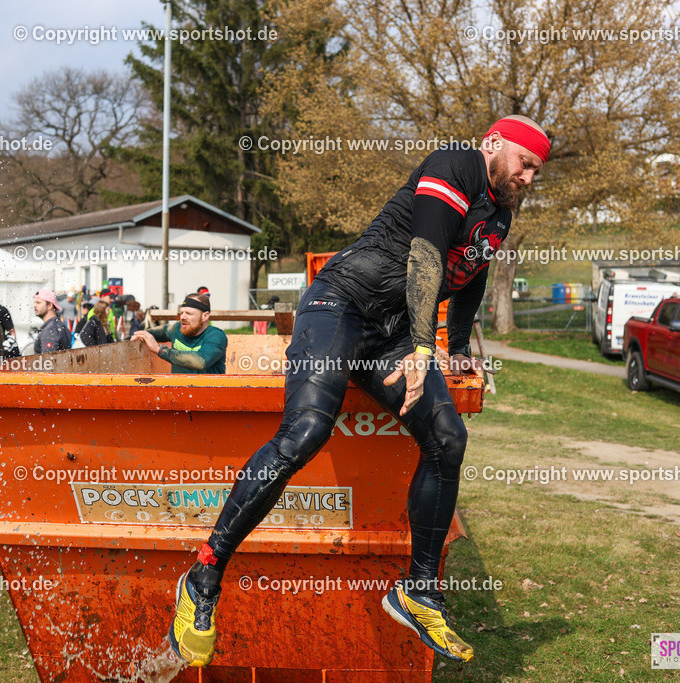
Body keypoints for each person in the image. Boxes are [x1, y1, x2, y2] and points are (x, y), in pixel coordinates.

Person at [167, 115, 550, 667]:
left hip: (390, 332)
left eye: (538, 170)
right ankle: (204, 573)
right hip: (339, 304)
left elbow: (471, 277)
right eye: (526, 163)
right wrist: (424, 348)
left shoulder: (500, 213)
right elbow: (424, 257)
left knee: (449, 438)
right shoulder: (456, 164)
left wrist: (459, 348)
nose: (530, 177)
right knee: (306, 431)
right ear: (494, 144)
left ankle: (418, 589)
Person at [132, 293, 227, 374]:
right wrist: (139, 335)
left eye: (189, 314)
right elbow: (161, 331)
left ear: (205, 316)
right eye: (182, 313)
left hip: (209, 394)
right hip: (179, 393)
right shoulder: (177, 329)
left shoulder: (216, 336)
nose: (182, 317)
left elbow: (200, 361)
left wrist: (160, 350)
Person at [33, 289, 72, 353]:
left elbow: (48, 360)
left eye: (38, 302)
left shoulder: (50, 331)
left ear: (49, 305)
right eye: (34, 302)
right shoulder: (60, 325)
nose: (34, 305)